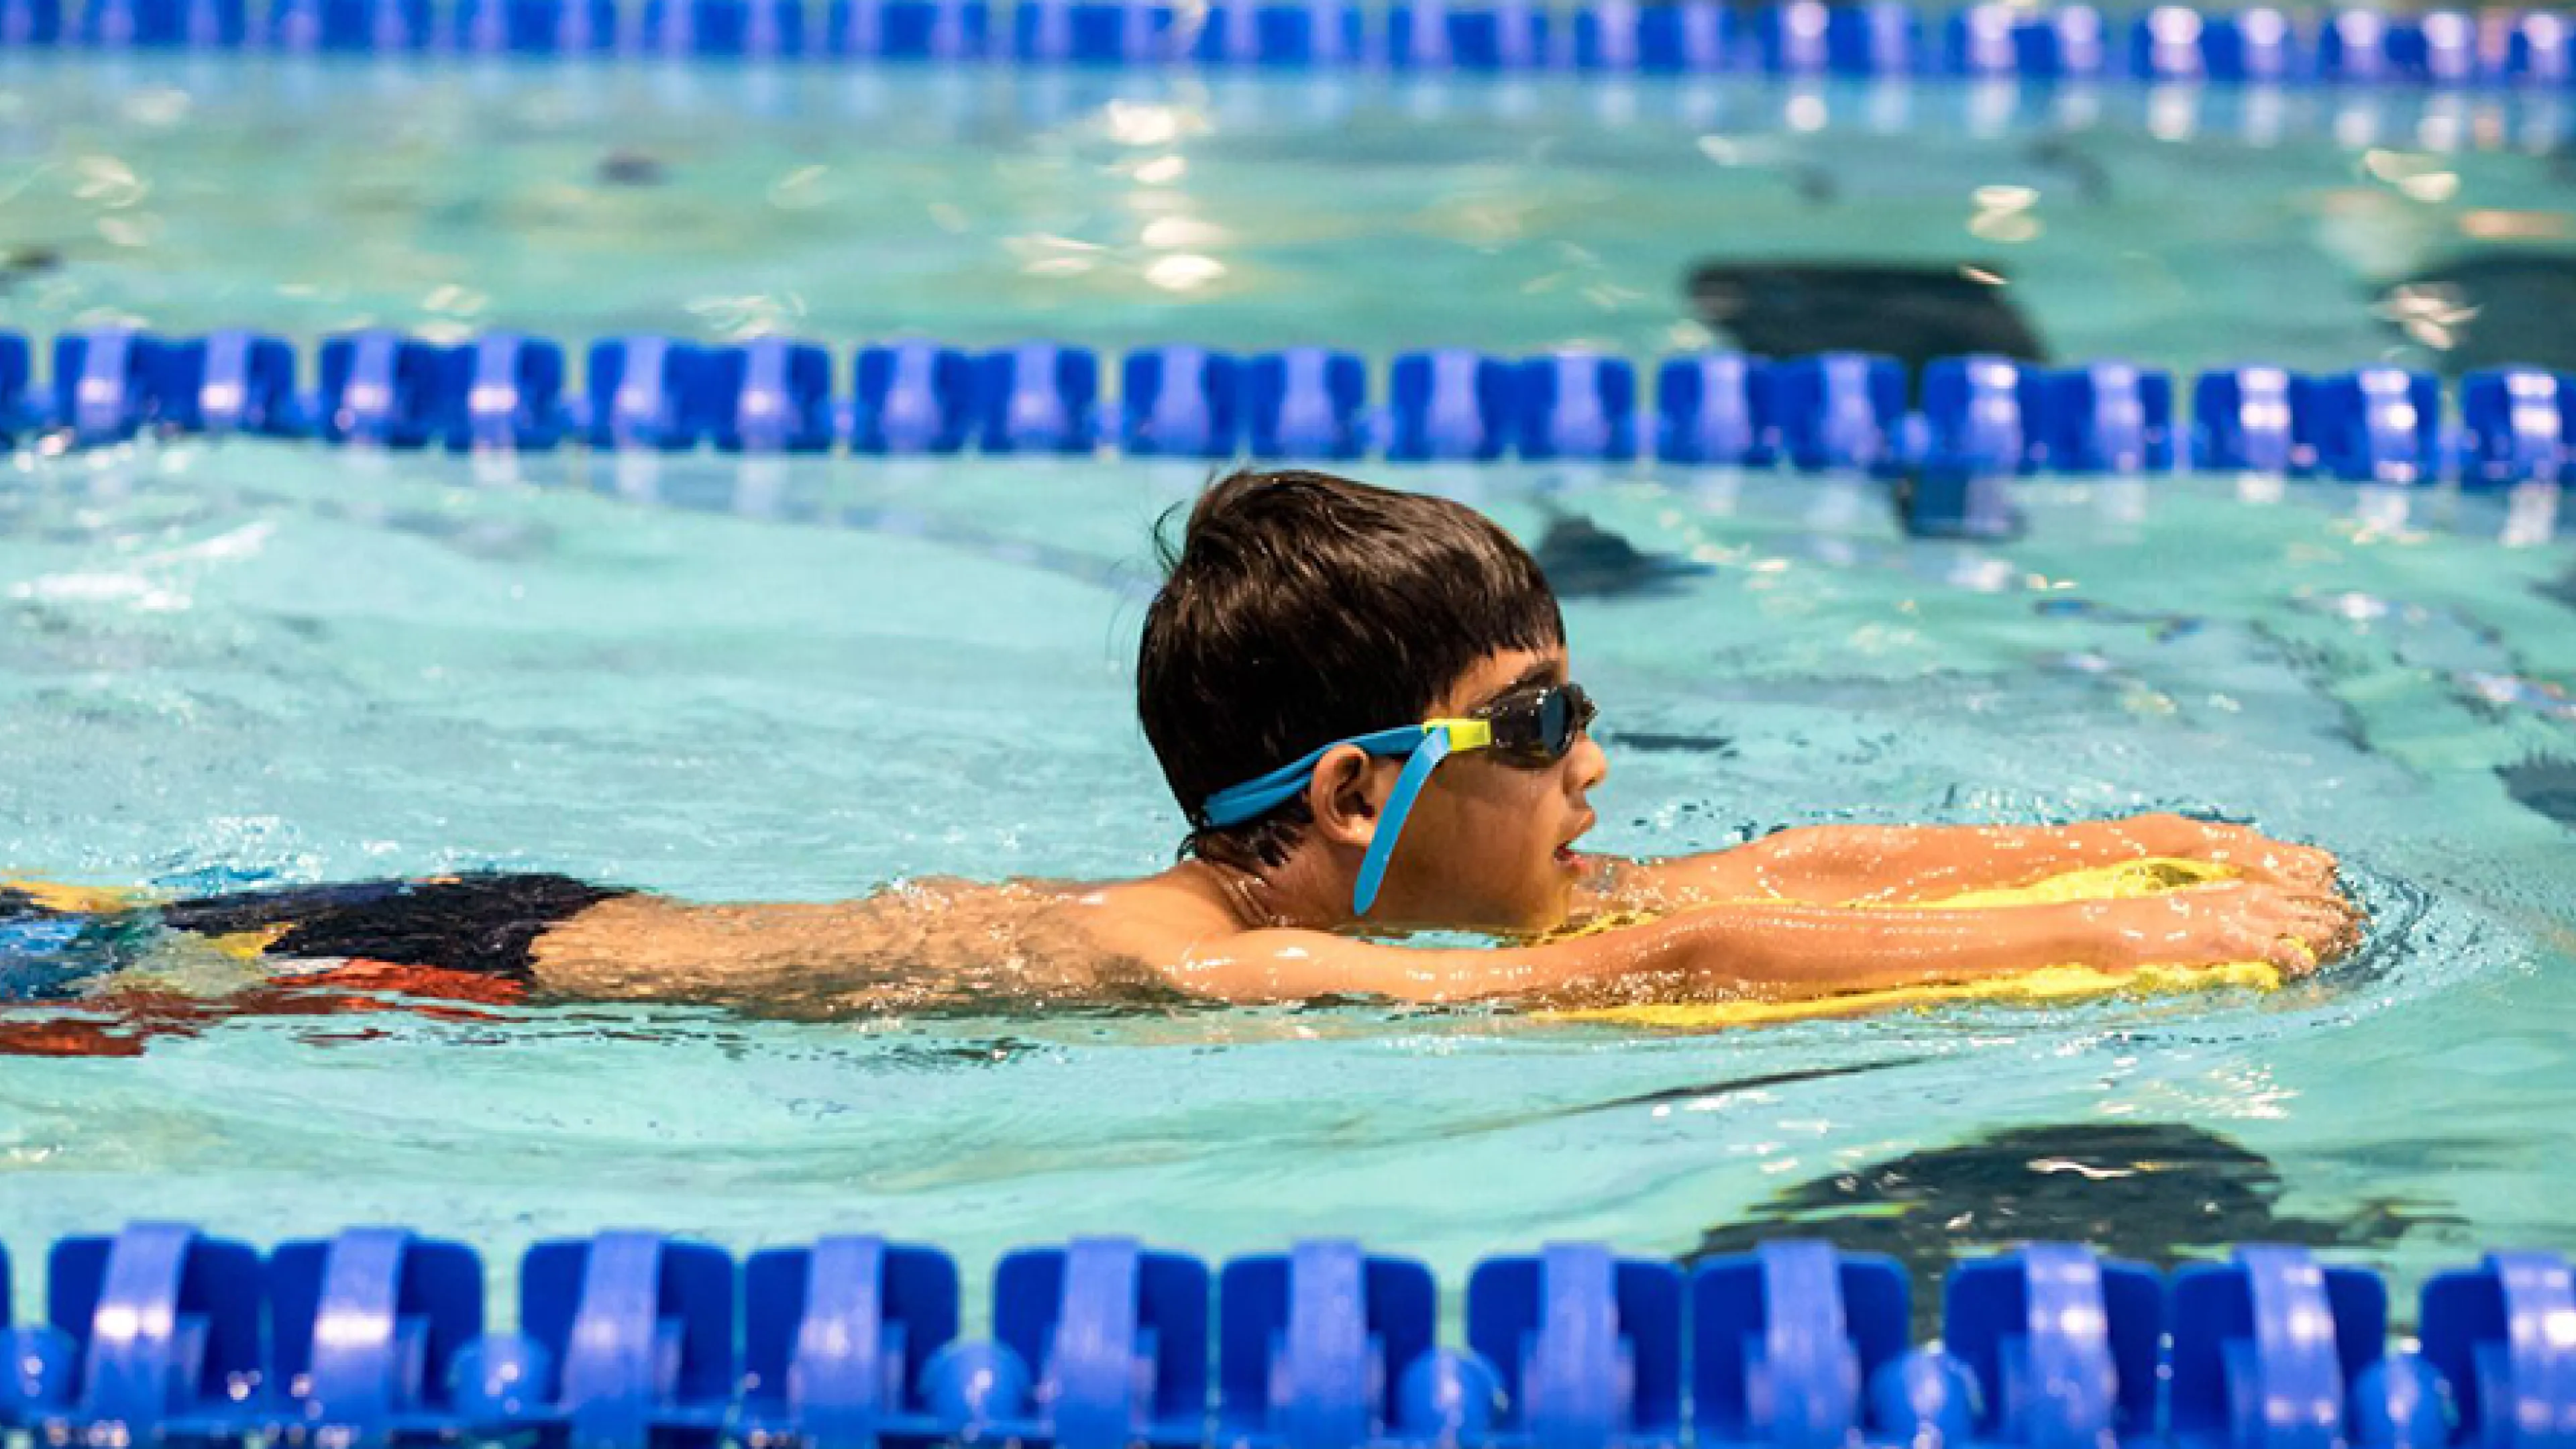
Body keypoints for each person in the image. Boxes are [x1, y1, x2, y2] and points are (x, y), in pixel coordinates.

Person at [3, 468, 2359, 1045]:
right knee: (89, 970)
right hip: (473, 981)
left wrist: (2127, 837)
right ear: (1353, 801)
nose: (1599, 770)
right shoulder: (1208, 967)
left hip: (528, 906)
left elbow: (1754, 869)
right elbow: (1616, 979)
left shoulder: (1461, 866)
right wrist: (2084, 944)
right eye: (1544, 725)